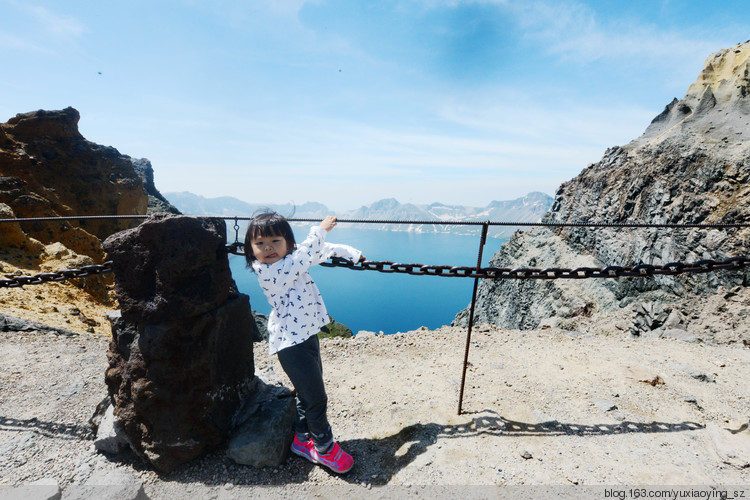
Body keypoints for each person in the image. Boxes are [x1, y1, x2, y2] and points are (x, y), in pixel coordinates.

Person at [244, 211, 365, 474]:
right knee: (317, 397)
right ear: (250, 250)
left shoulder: (292, 258)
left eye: (275, 241)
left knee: (306, 392)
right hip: (290, 345)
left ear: (287, 242)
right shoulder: (269, 271)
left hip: (306, 336)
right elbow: (310, 251)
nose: (268, 248)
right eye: (260, 244)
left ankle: (301, 439)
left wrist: (352, 253)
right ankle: (324, 448)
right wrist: (319, 229)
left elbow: (320, 251)